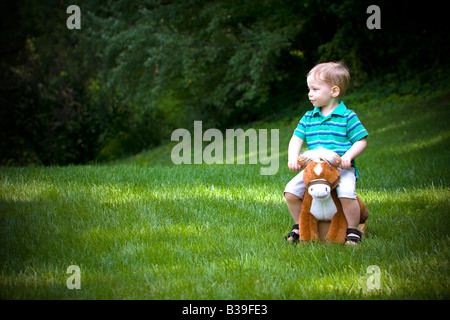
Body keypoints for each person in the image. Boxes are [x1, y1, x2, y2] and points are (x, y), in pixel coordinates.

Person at [284, 62, 368, 245]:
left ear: (334, 91)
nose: (309, 93)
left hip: (341, 168)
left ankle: (353, 229)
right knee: (290, 191)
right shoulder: (308, 117)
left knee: (346, 193)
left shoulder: (347, 116)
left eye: (314, 89)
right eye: (309, 89)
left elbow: (361, 140)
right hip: (314, 169)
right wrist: (293, 157)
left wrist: (348, 157)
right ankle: (299, 225)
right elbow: (296, 139)